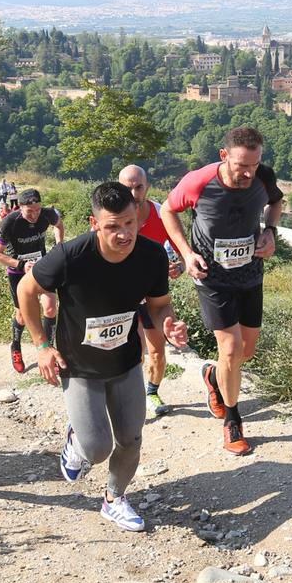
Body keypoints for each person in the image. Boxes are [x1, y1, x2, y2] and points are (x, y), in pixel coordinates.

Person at [17, 181, 188, 532]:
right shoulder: (71, 255)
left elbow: (159, 306)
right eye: (112, 226)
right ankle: (77, 439)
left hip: (125, 362)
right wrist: (41, 346)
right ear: (95, 224)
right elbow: (26, 289)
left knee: (131, 438)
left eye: (129, 223)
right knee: (96, 449)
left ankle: (114, 499)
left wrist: (167, 324)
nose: (124, 234)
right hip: (78, 366)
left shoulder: (152, 255)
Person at [161, 126, 283, 456]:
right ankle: (233, 420)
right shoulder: (198, 182)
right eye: (241, 165)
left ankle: (213, 376)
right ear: (224, 156)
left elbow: (276, 203)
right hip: (211, 276)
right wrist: (186, 253)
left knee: (246, 352)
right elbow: (167, 210)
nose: (247, 173)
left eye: (253, 166)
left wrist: (270, 231)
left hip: (249, 274)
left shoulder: (263, 178)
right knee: (231, 349)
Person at [118, 164, 184, 418]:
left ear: (147, 187)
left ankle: (151, 392)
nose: (133, 193)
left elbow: (181, 249)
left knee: (157, 349)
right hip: (120, 294)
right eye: (127, 187)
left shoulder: (160, 213)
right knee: (132, 349)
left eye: (138, 187)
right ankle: (126, 399)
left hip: (151, 294)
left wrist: (179, 265)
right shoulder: (111, 213)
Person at [0, 188, 65, 373]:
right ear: (20, 207)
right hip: (18, 272)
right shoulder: (9, 222)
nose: (34, 215)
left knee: (50, 307)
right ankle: (15, 347)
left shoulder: (47, 214)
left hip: (41, 267)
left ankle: (49, 350)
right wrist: (20, 264)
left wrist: (59, 246)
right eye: (29, 211)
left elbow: (59, 225)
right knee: (22, 316)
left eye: (38, 210)